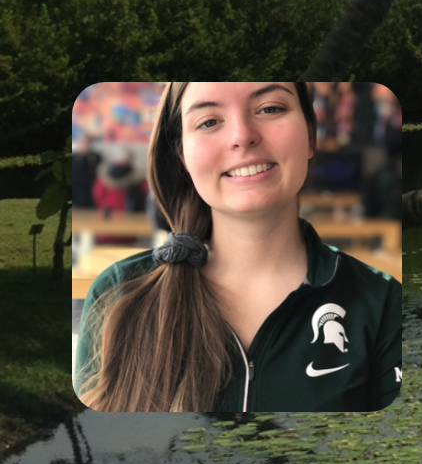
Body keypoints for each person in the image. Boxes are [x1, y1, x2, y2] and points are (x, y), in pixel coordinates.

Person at [74, 82, 402, 411]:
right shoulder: (118, 291)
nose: (242, 136)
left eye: (270, 109)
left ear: (311, 135)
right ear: (182, 155)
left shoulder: (382, 303)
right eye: (208, 122)